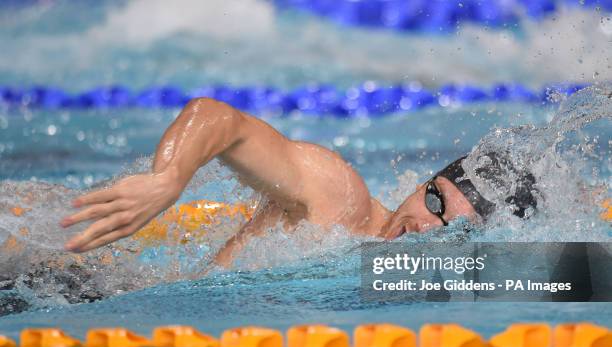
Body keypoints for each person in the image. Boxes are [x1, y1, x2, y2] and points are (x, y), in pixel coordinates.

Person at [60, 97, 537, 266]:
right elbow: (218, 119)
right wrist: (167, 180)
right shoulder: (340, 200)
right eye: (434, 202)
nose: (425, 228)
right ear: (422, 184)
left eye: (452, 230)